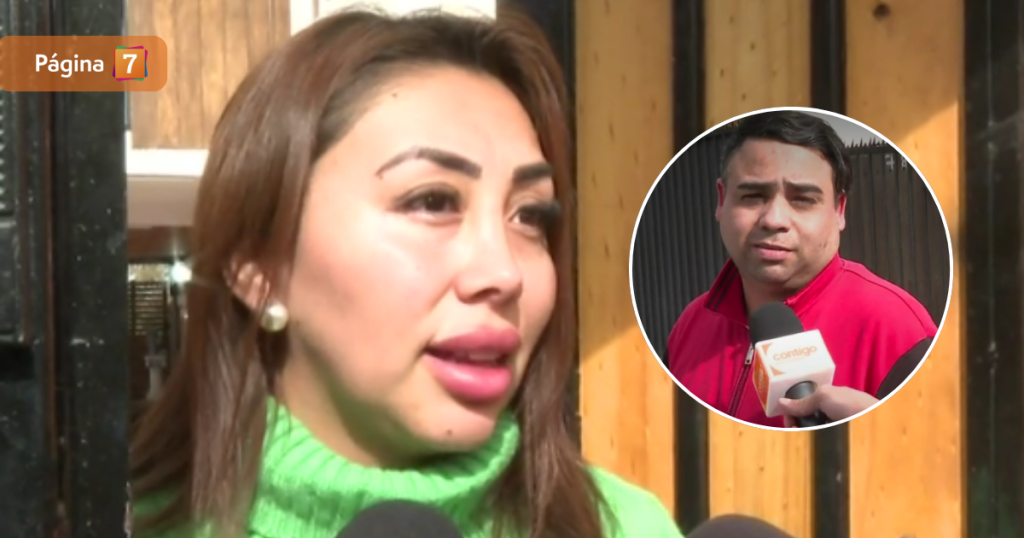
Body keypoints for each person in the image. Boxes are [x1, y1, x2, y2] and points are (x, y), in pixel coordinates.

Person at [129, 6, 682, 538]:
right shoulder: (115, 522)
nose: (503, 272)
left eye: (530, 215)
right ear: (258, 268)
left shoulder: (627, 528)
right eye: (432, 201)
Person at [666, 111, 938, 428]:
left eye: (803, 200)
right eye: (753, 196)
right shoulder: (690, 325)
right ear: (722, 200)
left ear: (839, 210)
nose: (774, 220)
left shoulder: (898, 331)